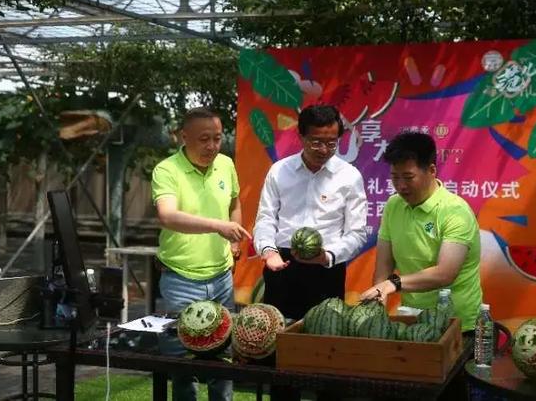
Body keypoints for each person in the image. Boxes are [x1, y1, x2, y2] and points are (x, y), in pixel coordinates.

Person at [151, 107, 250, 401]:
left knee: (222, 357)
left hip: (221, 279)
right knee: (182, 361)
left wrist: (234, 245)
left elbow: (234, 204)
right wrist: (218, 226)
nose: (212, 146)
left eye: (217, 138)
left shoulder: (226, 164)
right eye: (204, 139)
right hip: (180, 280)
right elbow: (167, 216)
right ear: (184, 137)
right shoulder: (166, 170)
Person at [253, 104, 368, 320]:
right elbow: (266, 218)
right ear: (301, 137)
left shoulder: (349, 177)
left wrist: (327, 256)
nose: (324, 150)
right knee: (278, 332)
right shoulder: (279, 171)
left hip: (327, 268)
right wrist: (268, 251)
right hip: (281, 264)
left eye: (331, 143)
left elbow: (357, 233)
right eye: (316, 142)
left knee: (324, 334)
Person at [359, 131, 482, 333]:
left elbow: (445, 273)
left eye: (409, 177)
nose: (401, 186)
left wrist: (393, 284)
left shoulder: (455, 211)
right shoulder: (393, 205)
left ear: (431, 170)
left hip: (458, 325)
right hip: (412, 320)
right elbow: (383, 268)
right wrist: (376, 307)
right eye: (395, 177)